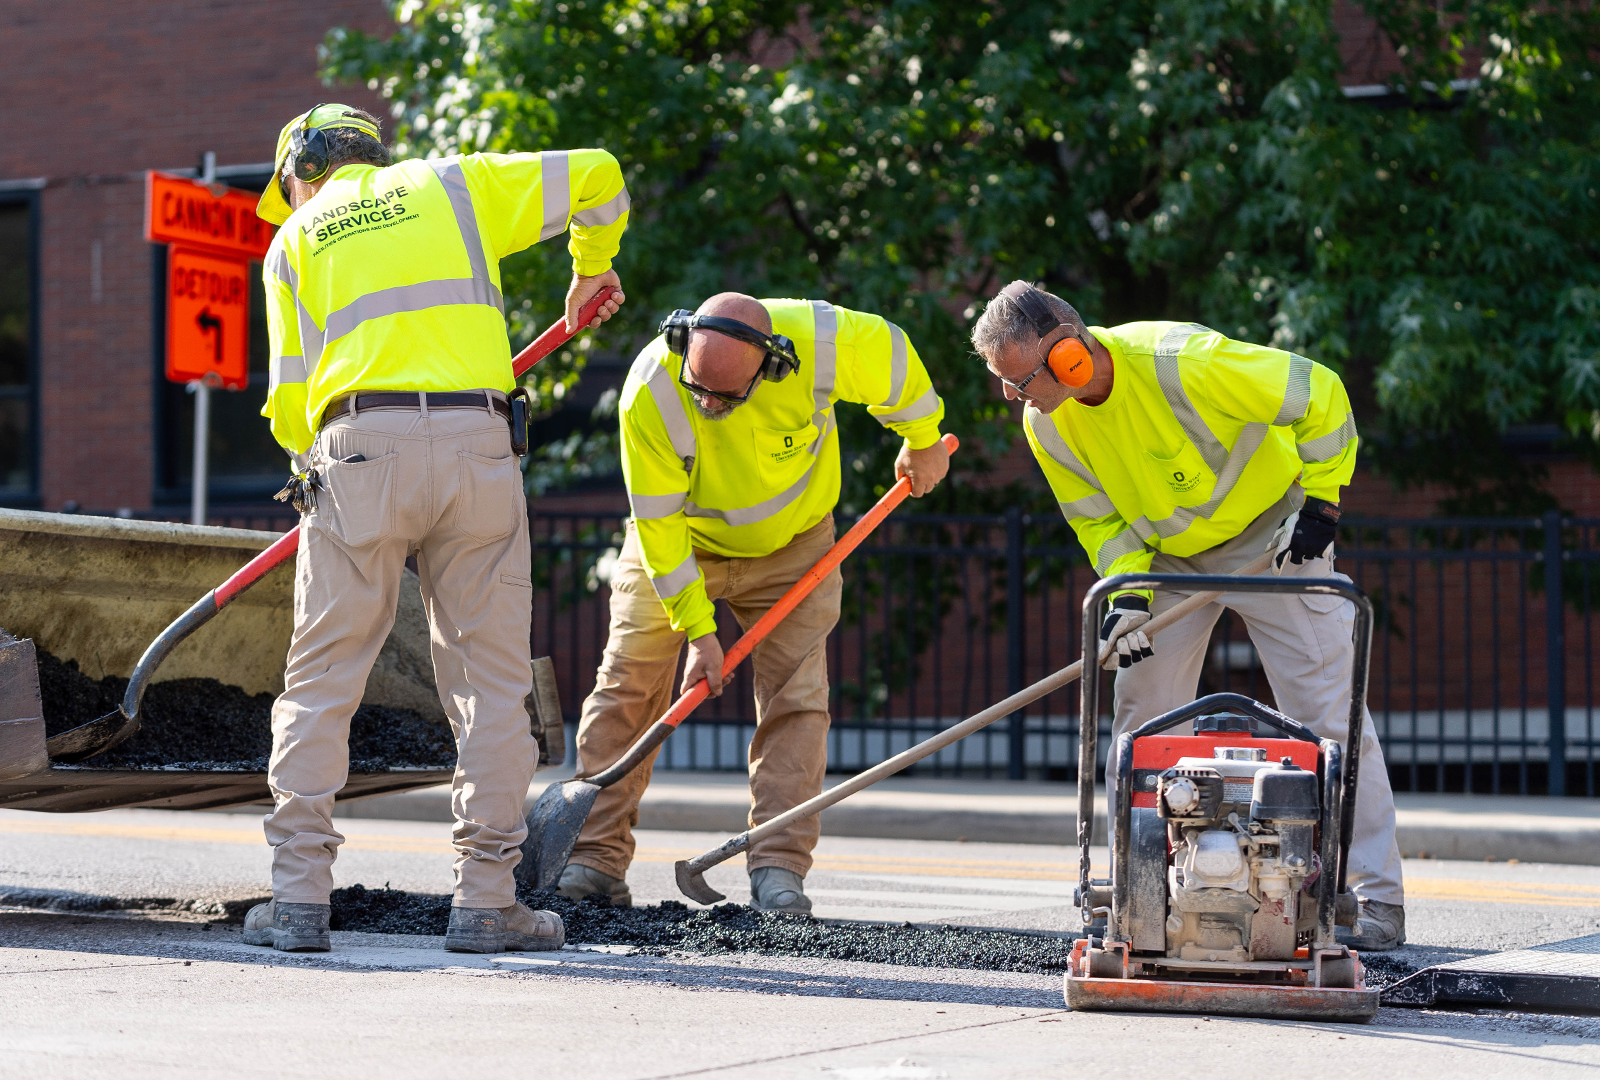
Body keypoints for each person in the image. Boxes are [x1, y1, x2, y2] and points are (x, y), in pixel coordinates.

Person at [241, 103, 628, 953]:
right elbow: (598, 170)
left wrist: (337, 461)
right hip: (478, 447)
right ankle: (488, 900)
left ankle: (299, 901)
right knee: (489, 686)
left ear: (298, 171)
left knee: (322, 678)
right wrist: (587, 269)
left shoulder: (293, 240)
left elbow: (283, 409)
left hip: (355, 448)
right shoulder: (454, 185)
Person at [970, 281, 1405, 950]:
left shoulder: (1183, 362)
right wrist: (1131, 598)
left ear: (1069, 359)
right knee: (1142, 718)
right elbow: (1099, 519)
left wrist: (1321, 505)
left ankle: (1374, 899)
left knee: (1328, 715)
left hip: (1275, 538)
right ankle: (1140, 889)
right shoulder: (1046, 425)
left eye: (1018, 379)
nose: (1011, 396)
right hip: (1169, 561)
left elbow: (1317, 393)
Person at [560, 293, 950, 912]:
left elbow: (892, 357)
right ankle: (593, 859)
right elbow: (658, 525)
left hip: (795, 545)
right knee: (627, 684)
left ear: (771, 368)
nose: (710, 404)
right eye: (701, 390)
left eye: (727, 396)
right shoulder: (650, 390)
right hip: (681, 537)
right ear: (682, 344)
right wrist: (697, 629)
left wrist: (922, 437)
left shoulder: (821, 345)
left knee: (796, 700)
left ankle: (778, 868)